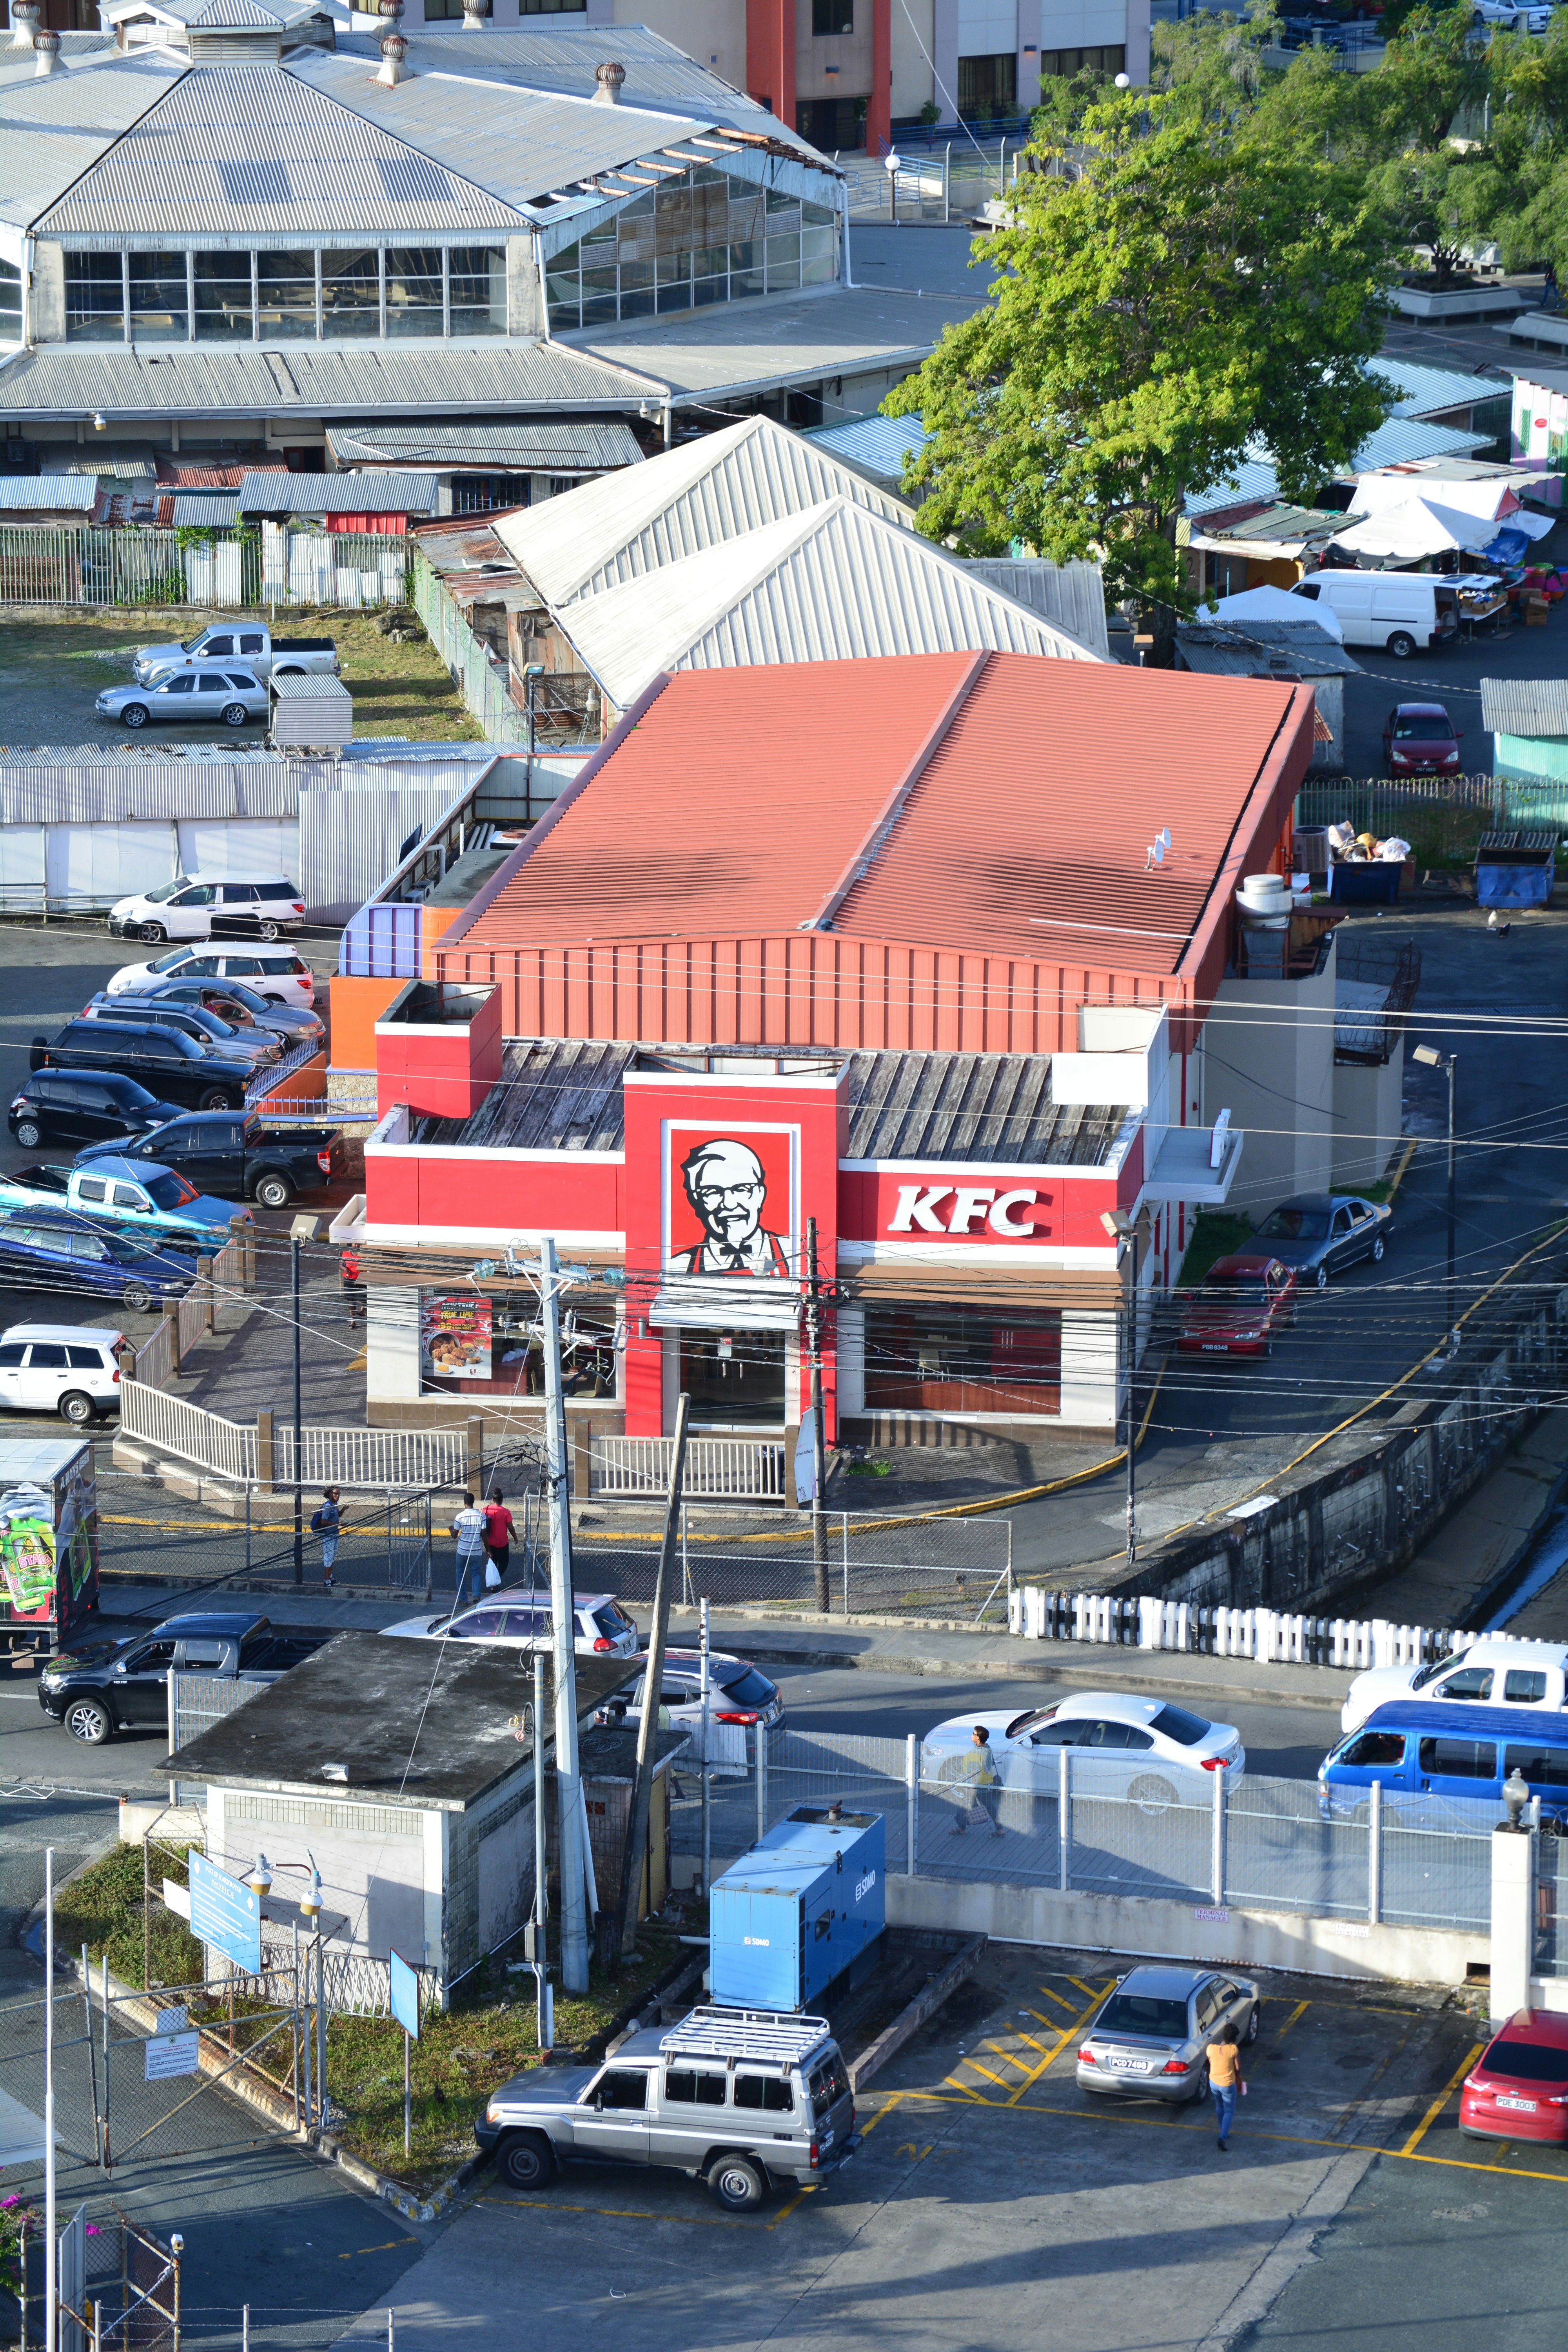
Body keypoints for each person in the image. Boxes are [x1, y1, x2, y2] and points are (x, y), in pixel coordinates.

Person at [949, 1725, 1004, 1838]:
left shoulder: (979, 1754)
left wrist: (971, 1789)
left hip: (976, 1786)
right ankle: (1000, 1830)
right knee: (990, 1807)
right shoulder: (987, 1749)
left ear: (978, 1738)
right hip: (986, 1784)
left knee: (964, 1808)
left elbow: (975, 1772)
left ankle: (962, 1829)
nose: (972, 1735)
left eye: (973, 1734)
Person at [1209, 2024, 1245, 2151]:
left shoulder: (1210, 2048)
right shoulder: (1233, 2049)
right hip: (1228, 2085)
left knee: (1219, 2105)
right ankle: (1223, 2138)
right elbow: (1238, 2068)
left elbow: (1213, 2063)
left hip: (1214, 2083)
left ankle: (1223, 2129)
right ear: (1234, 2038)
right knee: (1229, 2111)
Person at [450, 1491, 487, 1607]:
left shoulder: (459, 1517)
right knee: (476, 1573)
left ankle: (463, 1599)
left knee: (460, 1573)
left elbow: (455, 1535)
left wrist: (451, 1529)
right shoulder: (481, 1516)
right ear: (474, 1502)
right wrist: (489, 1551)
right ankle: (476, 1596)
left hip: (462, 1550)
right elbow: (484, 1535)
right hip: (476, 1550)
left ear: (464, 1503)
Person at [483, 1488, 515, 1586]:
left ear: (493, 1500)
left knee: (493, 1562)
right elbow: (511, 1528)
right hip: (502, 1543)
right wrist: (515, 1537)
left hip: (489, 1543)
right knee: (504, 1563)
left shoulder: (486, 1510)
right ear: (502, 1501)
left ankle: (493, 1581)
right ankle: (496, 1580)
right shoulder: (506, 1512)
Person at [310, 1487, 341, 1590]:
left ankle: (330, 1577)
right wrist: (338, 1524)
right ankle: (327, 1580)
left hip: (335, 1534)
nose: (337, 1496)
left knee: (332, 1557)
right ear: (331, 1494)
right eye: (335, 1494)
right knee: (328, 1557)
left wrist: (344, 1509)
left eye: (339, 1494)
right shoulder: (328, 1507)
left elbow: (337, 1516)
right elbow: (324, 1522)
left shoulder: (335, 1504)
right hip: (328, 1535)